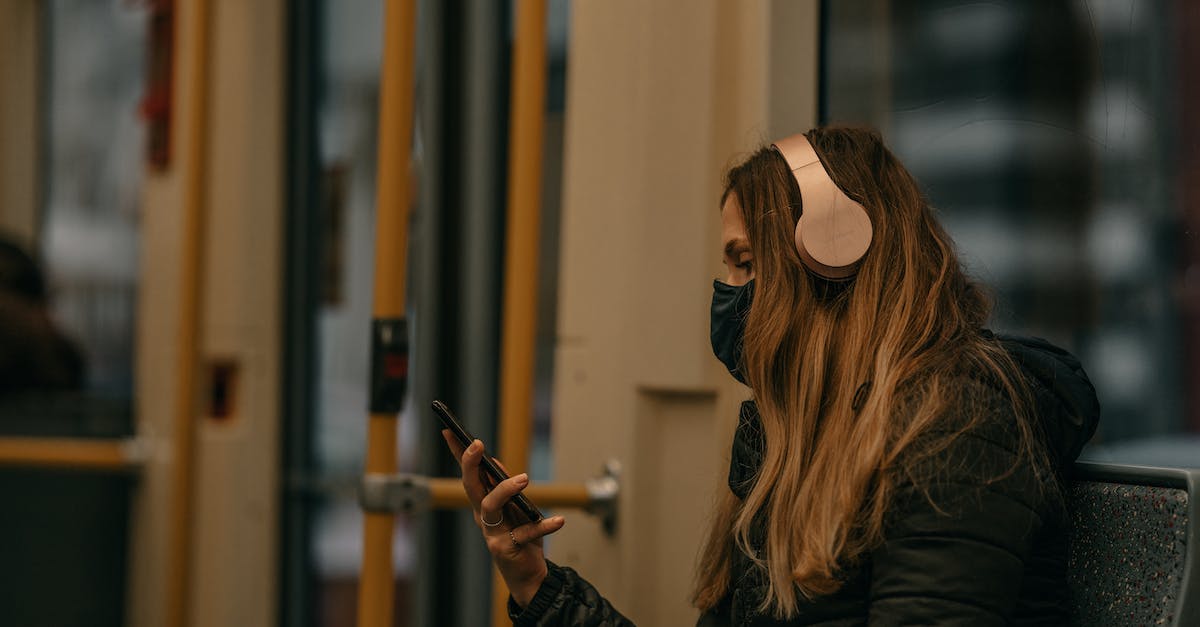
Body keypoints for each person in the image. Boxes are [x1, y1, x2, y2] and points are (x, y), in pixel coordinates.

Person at [442, 126, 1100, 626]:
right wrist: (535, 581)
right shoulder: (785, 434)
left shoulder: (953, 418)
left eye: (746, 262)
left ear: (833, 260)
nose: (727, 292)